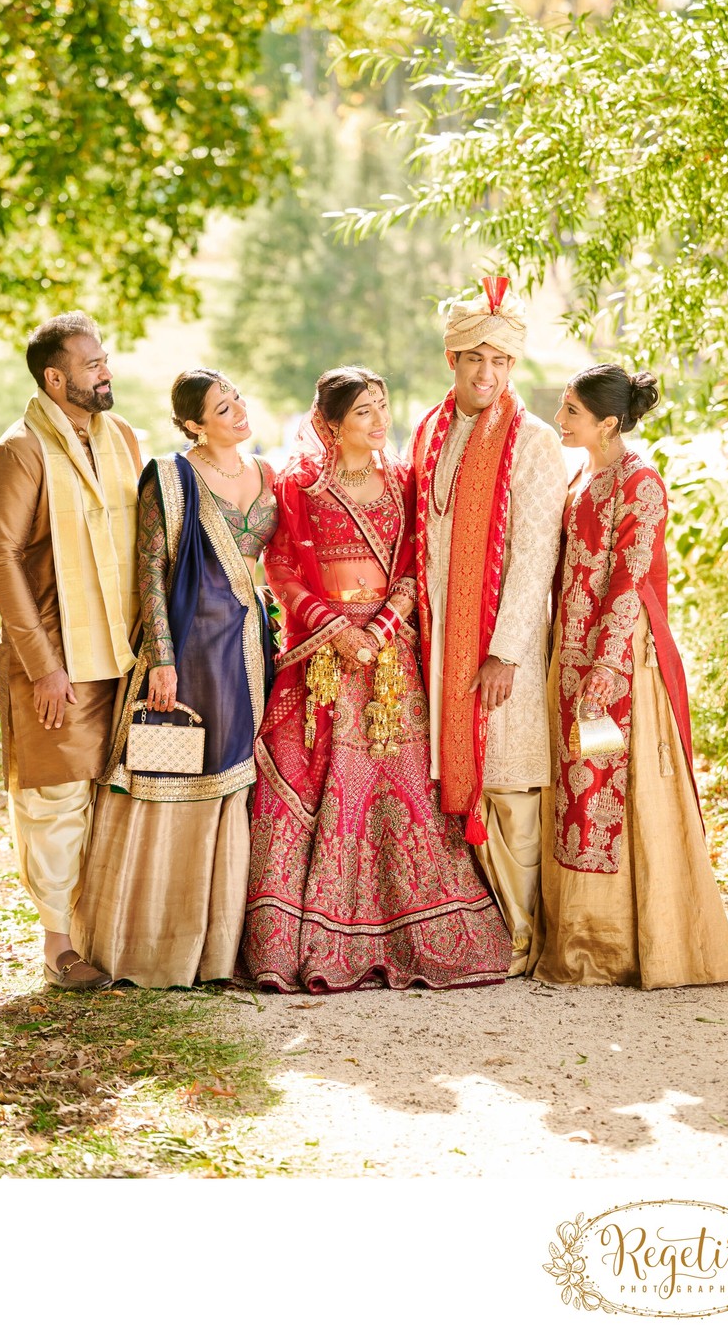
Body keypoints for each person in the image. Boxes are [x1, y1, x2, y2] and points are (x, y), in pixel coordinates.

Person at [239, 365, 512, 992]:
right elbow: (281, 570)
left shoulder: (403, 481)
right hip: (325, 660)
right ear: (331, 425)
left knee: (404, 782)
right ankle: (303, 939)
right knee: (318, 777)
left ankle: (421, 928)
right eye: (363, 410)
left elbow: (417, 566)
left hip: (391, 661)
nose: (379, 420)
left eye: (383, 405)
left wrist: (381, 629)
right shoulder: (301, 487)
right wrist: (337, 632)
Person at [528, 364, 728, 987]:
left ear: (609, 424)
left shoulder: (639, 482)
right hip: (569, 653)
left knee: (611, 785)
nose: (561, 420)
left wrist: (603, 669)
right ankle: (574, 937)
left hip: (619, 661)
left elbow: (629, 583)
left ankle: (619, 945)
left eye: (572, 412)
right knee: (576, 784)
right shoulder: (582, 476)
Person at [71, 369, 276, 987]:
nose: (237, 411)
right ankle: (154, 942)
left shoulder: (271, 475)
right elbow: (152, 571)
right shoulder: (171, 476)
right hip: (188, 650)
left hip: (249, 649)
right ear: (193, 424)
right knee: (175, 771)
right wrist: (160, 657)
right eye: (221, 407)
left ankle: (220, 950)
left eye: (237, 398)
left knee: (233, 781)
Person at [0, 311, 141, 990]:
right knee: (56, 799)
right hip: (56, 659)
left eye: (104, 359)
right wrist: (43, 665)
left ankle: (106, 929)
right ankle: (58, 947)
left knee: (113, 792)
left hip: (122, 654)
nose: (105, 371)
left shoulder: (122, 438)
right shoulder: (19, 451)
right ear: (55, 377)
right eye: (91, 363)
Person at [412, 277, 568, 975]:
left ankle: (522, 931)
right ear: (451, 360)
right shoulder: (430, 430)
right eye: (475, 358)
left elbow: (536, 551)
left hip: (503, 642)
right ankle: (481, 925)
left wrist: (504, 651)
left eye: (501, 362)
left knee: (510, 778)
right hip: (443, 637)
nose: (487, 373)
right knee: (458, 773)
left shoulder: (531, 440)